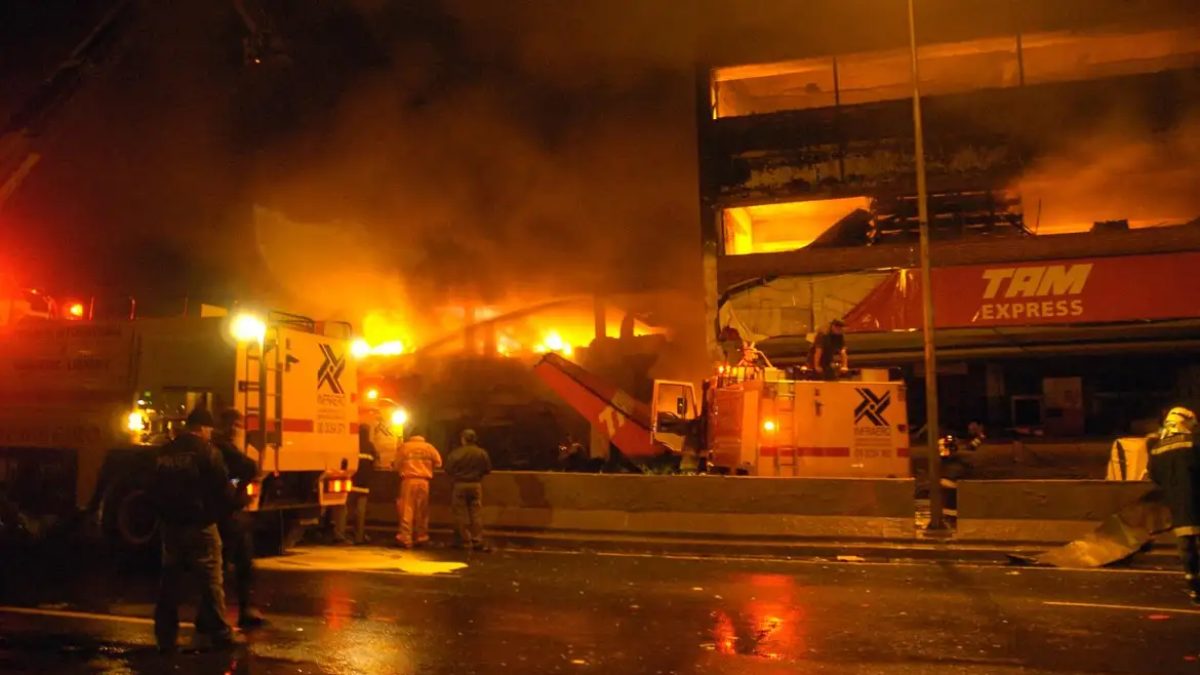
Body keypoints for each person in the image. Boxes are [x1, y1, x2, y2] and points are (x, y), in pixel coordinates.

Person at [149, 408, 243, 652]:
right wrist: (237, 495)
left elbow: (151, 487)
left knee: (170, 579)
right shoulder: (207, 452)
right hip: (200, 525)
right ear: (202, 427)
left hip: (170, 526)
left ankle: (164, 631)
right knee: (211, 578)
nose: (210, 433)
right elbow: (223, 488)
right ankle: (220, 632)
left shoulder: (165, 451)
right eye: (209, 429)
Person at [212, 408, 266, 628]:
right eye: (234, 425)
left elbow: (238, 474)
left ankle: (242, 609)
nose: (236, 430)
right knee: (223, 565)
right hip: (224, 513)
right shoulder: (221, 448)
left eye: (238, 425)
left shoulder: (222, 448)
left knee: (242, 561)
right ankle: (216, 614)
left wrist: (234, 483)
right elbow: (248, 468)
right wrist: (235, 484)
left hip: (231, 512)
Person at [1146, 406, 1200, 605]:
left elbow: (1154, 475)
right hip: (1196, 499)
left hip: (1178, 505)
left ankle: (1195, 589)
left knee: (1186, 546)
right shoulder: (1193, 442)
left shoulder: (1157, 448)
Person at [444, 429, 492, 550]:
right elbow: (487, 469)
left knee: (459, 514)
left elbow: (448, 469)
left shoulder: (456, 453)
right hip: (476, 484)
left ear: (463, 439)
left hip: (459, 485)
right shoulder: (481, 453)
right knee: (476, 513)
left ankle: (462, 540)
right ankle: (477, 540)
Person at [394, 430, 442, 549]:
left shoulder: (405, 447)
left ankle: (406, 538)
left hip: (409, 480)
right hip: (424, 481)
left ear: (411, 436)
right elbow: (439, 463)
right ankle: (422, 536)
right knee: (422, 510)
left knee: (407, 509)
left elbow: (396, 464)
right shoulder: (429, 447)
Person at [336, 422, 378, 545]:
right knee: (360, 512)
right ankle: (359, 538)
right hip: (364, 485)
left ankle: (339, 535)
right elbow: (375, 464)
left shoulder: (351, 444)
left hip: (350, 482)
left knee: (343, 510)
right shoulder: (371, 447)